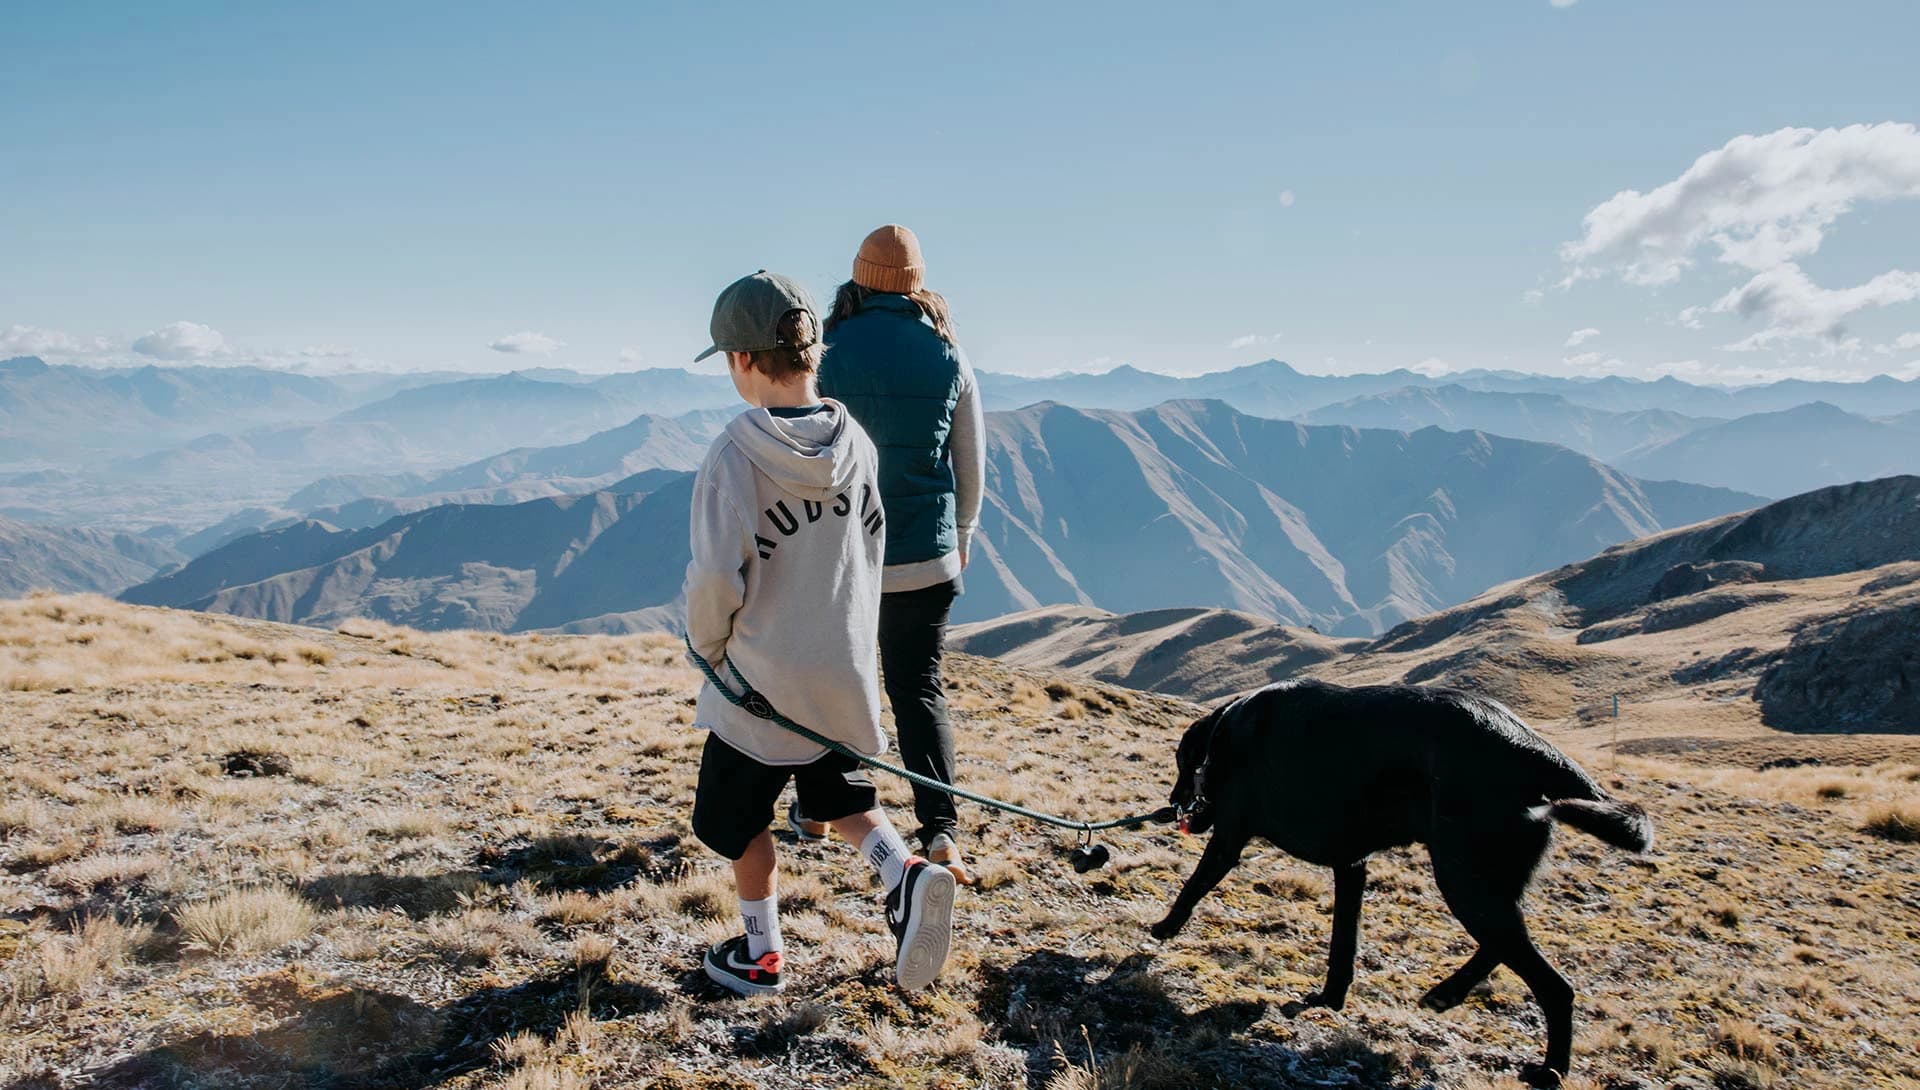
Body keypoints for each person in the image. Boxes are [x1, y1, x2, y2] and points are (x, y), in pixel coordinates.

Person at [683, 270, 956, 996]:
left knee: (736, 819)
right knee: (842, 795)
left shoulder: (735, 454)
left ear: (743, 360)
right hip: (841, 672)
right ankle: (904, 874)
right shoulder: (856, 444)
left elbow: (715, 580)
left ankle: (762, 954)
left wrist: (708, 651)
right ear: (811, 351)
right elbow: (866, 554)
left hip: (761, 685)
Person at [808, 225, 985, 885]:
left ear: (858, 278)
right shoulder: (949, 353)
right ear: (915, 282)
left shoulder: (826, 351)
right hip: (926, 556)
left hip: (844, 556)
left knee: (834, 683)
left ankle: (820, 811)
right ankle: (939, 832)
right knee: (918, 690)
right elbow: (970, 460)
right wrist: (961, 535)